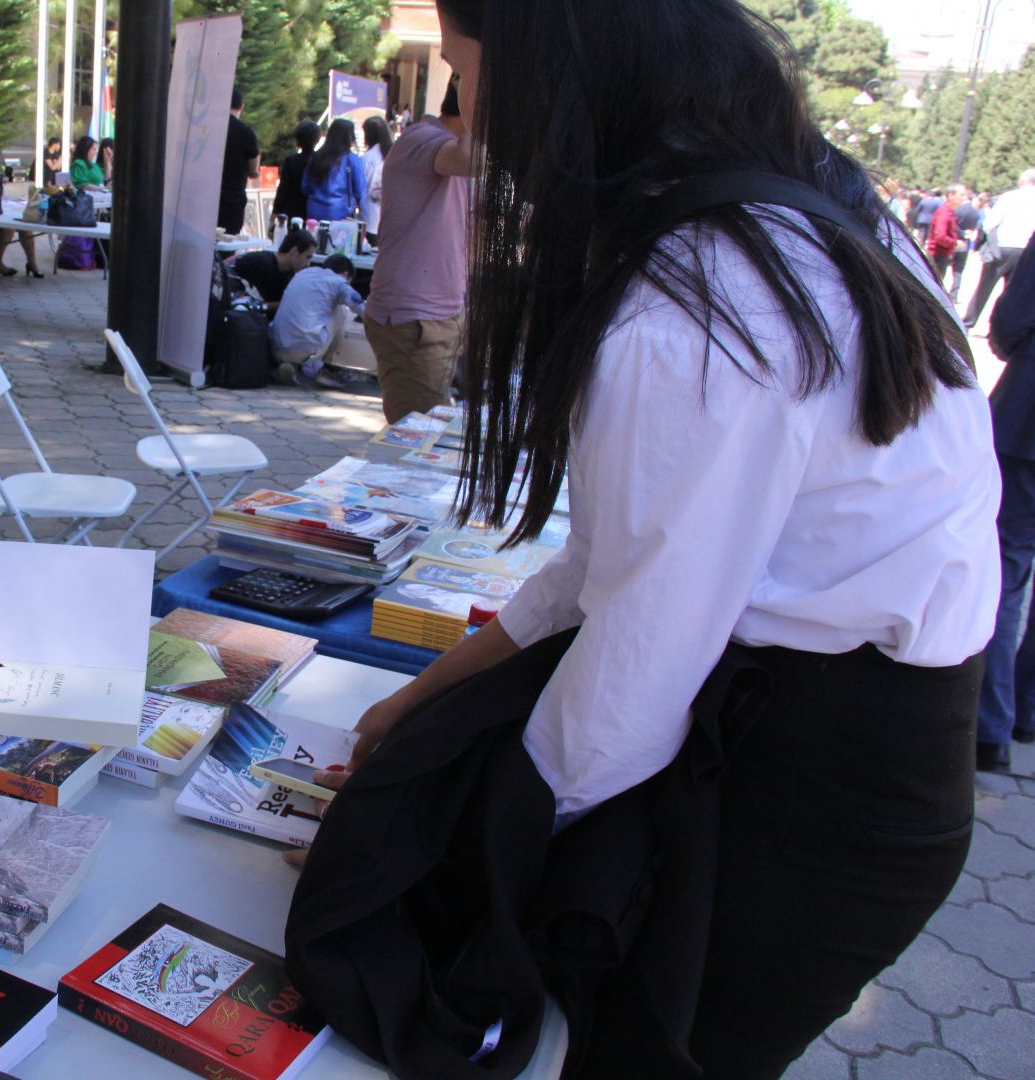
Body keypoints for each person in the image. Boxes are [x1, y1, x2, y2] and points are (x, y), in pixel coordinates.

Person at [290, 2, 996, 1077]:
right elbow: (601, 571)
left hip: (812, 797)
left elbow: (632, 680)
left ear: (558, 77)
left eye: (467, 70)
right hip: (840, 752)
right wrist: (421, 701)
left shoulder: (699, 305)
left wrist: (463, 856)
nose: (467, 107)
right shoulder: (799, 215)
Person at [363, 79, 471, 423]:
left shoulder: (443, 146)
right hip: (415, 321)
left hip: (438, 316)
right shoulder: (422, 139)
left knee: (426, 440)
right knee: (418, 446)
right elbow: (470, 158)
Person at [976, 225, 1035, 772]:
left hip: (1028, 425)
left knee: (1006, 569)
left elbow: (1011, 326)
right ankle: (1022, 712)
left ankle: (991, 727)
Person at [270, 254, 364, 386]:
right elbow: (360, 307)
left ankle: (291, 366)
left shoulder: (303, 274)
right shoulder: (339, 282)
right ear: (345, 274)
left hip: (276, 346)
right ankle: (327, 369)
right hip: (307, 349)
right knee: (342, 310)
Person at [963, 168, 1035, 329]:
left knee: (984, 286)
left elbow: (989, 224)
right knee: (1014, 292)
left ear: (1022, 181)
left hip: (1002, 247)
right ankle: (1003, 327)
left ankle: (968, 322)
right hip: (1027, 251)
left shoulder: (1009, 197)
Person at [230, 228, 316, 312]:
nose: (308, 264)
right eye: (307, 257)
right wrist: (288, 303)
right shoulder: (259, 265)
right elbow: (251, 305)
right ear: (294, 251)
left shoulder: (288, 273)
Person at [301, 118, 365, 224]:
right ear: (350, 137)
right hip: (341, 214)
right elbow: (359, 191)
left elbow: (305, 187)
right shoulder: (352, 160)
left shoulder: (316, 157)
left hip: (314, 212)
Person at [218, 87, 260, 234]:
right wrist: (254, 173)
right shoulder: (246, 133)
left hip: (207, 195)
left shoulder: (210, 128)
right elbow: (253, 169)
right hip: (233, 197)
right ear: (241, 107)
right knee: (228, 244)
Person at [272, 120, 321, 224]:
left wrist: (275, 213)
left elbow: (283, 189)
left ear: (297, 139)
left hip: (291, 211)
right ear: (317, 139)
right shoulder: (321, 161)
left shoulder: (291, 161)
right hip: (314, 212)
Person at [359, 115, 392, 244]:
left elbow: (361, 188)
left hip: (370, 217)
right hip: (390, 216)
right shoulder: (394, 154)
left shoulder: (367, 158)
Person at [926, 184, 967, 284]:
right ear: (951, 195)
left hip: (941, 256)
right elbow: (940, 237)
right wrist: (955, 243)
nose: (964, 198)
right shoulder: (944, 213)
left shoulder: (949, 211)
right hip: (937, 256)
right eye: (961, 195)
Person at [951, 189, 985, 302]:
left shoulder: (957, 210)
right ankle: (954, 295)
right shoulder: (975, 212)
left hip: (953, 241)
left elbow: (952, 225)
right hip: (965, 243)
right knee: (958, 271)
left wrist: (961, 233)